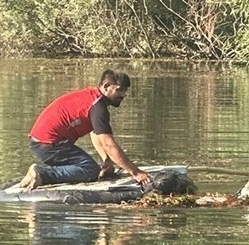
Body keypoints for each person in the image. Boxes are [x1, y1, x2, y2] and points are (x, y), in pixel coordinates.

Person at [19, 69, 152, 190]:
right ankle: (43, 173)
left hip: (42, 143)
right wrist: (136, 172)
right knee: (90, 170)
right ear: (106, 87)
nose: (123, 95)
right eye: (119, 90)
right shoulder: (98, 107)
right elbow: (109, 144)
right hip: (48, 144)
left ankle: (45, 173)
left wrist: (106, 160)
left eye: (125, 91)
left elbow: (96, 133)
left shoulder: (94, 99)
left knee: (89, 167)